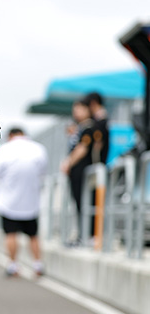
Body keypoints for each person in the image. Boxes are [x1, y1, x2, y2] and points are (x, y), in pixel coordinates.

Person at [0, 127, 48, 277]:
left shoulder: (3, 150)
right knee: (33, 234)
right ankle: (38, 265)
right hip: (31, 200)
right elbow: (43, 172)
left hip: (8, 201)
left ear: (10, 135)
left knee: (10, 234)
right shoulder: (38, 149)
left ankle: (13, 265)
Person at [60, 99, 93, 245]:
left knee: (85, 203)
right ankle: (82, 235)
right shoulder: (79, 128)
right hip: (76, 174)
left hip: (83, 172)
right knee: (79, 204)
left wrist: (68, 162)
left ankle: (88, 236)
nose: (76, 113)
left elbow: (82, 149)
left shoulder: (89, 128)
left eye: (79, 109)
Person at [84, 91, 109, 166]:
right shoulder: (101, 121)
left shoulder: (100, 122)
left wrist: (95, 163)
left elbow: (98, 145)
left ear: (93, 103)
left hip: (98, 164)